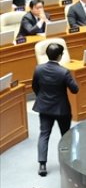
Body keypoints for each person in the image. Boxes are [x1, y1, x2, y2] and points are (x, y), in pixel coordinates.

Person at [31, 41, 77, 177]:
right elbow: (75, 89)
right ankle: (68, 162)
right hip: (61, 109)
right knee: (66, 136)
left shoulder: (38, 69)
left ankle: (42, 165)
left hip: (44, 107)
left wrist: (42, 97)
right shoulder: (64, 72)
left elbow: (35, 87)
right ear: (60, 56)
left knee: (44, 135)